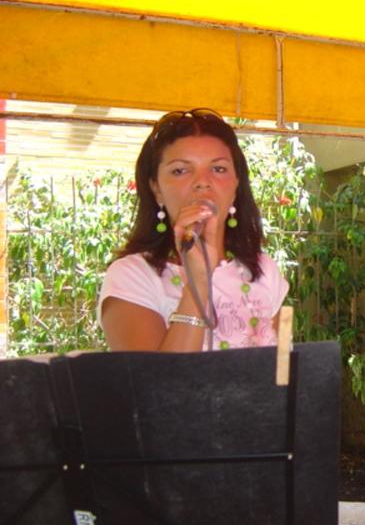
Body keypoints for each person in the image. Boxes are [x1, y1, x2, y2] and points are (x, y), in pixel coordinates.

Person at [98, 108, 288, 352]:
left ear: (236, 186)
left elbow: (284, 367)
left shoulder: (264, 271)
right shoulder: (131, 276)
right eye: (180, 170)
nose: (202, 182)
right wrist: (198, 283)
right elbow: (158, 377)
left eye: (218, 169)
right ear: (156, 189)